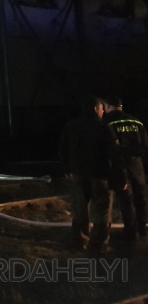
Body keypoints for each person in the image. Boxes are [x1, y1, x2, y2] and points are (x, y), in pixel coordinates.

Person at [59, 96, 113, 253]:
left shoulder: (71, 126)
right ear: (96, 109)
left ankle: (80, 242)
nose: (103, 112)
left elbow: (62, 149)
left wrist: (66, 168)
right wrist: (116, 175)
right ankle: (98, 245)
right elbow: (113, 154)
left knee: (80, 210)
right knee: (102, 212)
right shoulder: (103, 128)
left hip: (78, 174)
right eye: (102, 109)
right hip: (99, 175)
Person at [103, 96, 148, 242]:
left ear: (109, 107)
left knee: (126, 200)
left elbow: (109, 149)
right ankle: (143, 229)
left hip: (120, 165)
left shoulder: (108, 123)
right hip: (138, 166)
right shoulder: (136, 121)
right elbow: (145, 146)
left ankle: (130, 232)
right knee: (140, 198)